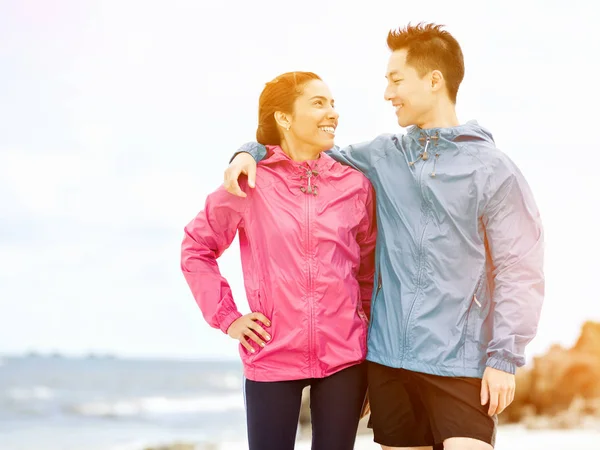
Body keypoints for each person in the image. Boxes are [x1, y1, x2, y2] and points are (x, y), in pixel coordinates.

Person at [223, 23, 544, 450]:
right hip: (389, 363)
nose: (387, 93)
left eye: (396, 80)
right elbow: (303, 149)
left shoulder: (493, 170)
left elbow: (520, 268)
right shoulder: (382, 155)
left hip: (460, 363)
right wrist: (249, 149)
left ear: (434, 81)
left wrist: (504, 357)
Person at [181, 71, 377, 450]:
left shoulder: (354, 185)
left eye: (333, 103)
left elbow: (366, 271)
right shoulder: (249, 181)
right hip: (271, 351)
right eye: (318, 103)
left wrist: (369, 343)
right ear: (284, 118)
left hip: (346, 357)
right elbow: (195, 248)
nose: (332, 113)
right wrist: (229, 318)